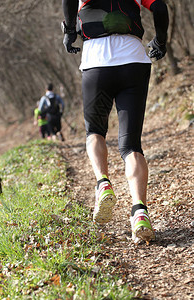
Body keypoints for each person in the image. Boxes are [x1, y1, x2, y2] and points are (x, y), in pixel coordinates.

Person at [62, 0, 168, 243]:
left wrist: (69, 32)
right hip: (133, 59)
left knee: (95, 132)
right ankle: (139, 212)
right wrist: (161, 41)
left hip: (96, 61)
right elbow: (160, 8)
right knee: (131, 145)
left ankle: (103, 183)